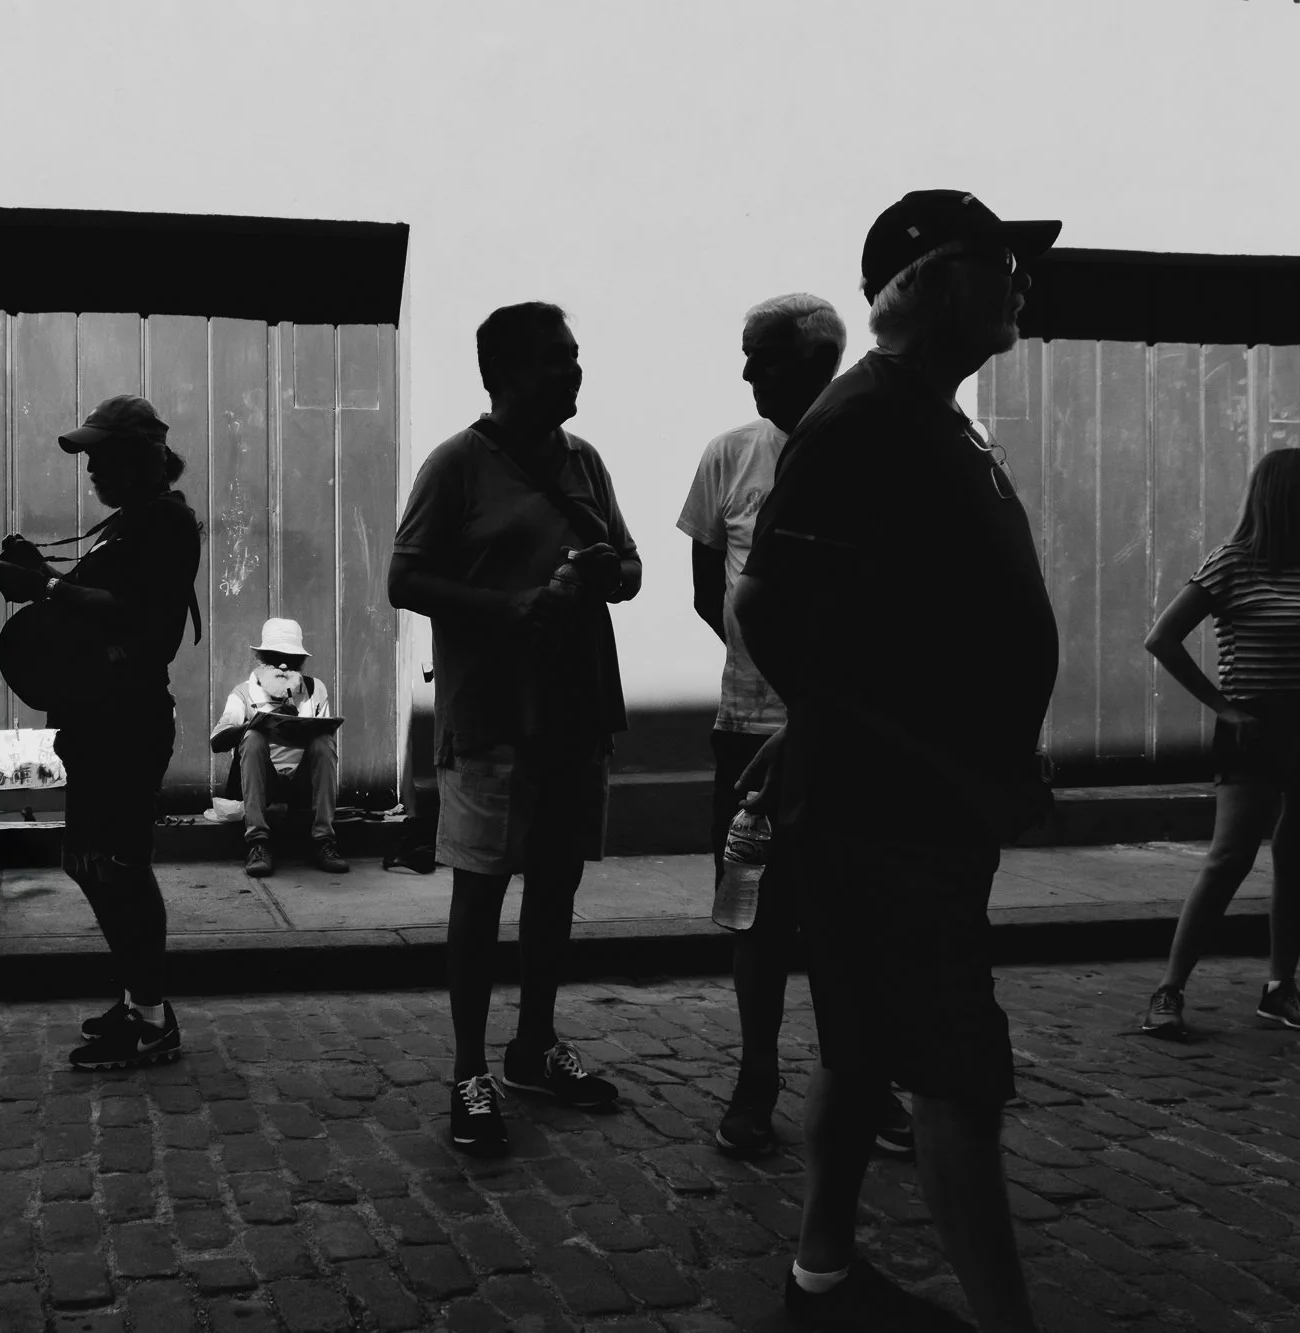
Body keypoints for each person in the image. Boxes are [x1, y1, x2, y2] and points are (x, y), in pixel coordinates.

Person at [734, 190, 1061, 1332]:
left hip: (916, 797)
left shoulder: (929, 414)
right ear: (920, 282)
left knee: (862, 1047)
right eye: (1000, 259)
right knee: (956, 1076)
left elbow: (871, 619)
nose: (1023, 278)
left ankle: (820, 1274)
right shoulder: (863, 415)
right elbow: (767, 605)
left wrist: (822, 721)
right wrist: (849, 729)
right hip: (895, 813)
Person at [389, 301, 642, 1158]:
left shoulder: (587, 461)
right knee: (480, 893)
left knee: (557, 884)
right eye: (556, 362)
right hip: (493, 714)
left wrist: (613, 571)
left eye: (575, 358)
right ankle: (468, 1069)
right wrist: (509, 607)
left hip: (577, 711)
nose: (574, 374)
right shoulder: (457, 465)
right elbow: (405, 578)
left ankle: (534, 1044)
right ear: (503, 374)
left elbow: (634, 568)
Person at [677, 294, 916, 1162]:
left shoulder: (874, 449)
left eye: (764, 359)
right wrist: (770, 670)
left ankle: (865, 1078)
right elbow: (712, 589)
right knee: (757, 917)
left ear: (819, 361)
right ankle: (756, 1077)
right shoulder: (729, 457)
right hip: (749, 727)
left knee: (853, 917)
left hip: (849, 734)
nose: (747, 375)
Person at [0, 394, 202, 1071]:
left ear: (140, 457)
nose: (90, 470)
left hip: (127, 722)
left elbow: (142, 619)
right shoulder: (126, 524)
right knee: (93, 865)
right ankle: (140, 1001)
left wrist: (46, 587)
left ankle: (152, 1019)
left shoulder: (166, 522)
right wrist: (35, 577)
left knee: (120, 869)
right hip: (95, 718)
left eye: (101, 456)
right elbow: (85, 608)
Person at [1141, 448, 1300, 1038]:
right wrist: (1223, 708)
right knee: (1228, 858)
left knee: (1296, 861)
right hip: (1253, 726)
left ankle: (1281, 988)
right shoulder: (1233, 563)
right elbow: (1162, 638)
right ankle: (1169, 990)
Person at [210, 617, 349, 877]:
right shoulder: (243, 692)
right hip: (264, 784)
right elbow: (217, 741)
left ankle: (324, 841)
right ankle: (258, 843)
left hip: (302, 783)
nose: (284, 665)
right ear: (261, 660)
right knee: (252, 739)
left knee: (323, 741)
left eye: (292, 659)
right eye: (275, 657)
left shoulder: (314, 689)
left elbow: (323, 745)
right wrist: (253, 725)